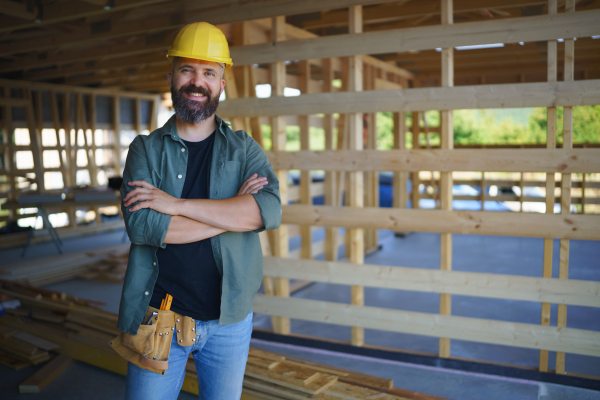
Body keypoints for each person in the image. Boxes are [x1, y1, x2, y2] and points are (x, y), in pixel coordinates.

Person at [116, 22, 281, 399]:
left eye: (209, 72)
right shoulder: (145, 150)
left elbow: (267, 211)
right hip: (157, 315)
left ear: (222, 83)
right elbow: (144, 226)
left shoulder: (245, 149)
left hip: (229, 321)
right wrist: (231, 214)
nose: (197, 81)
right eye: (187, 69)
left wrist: (176, 206)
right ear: (171, 76)